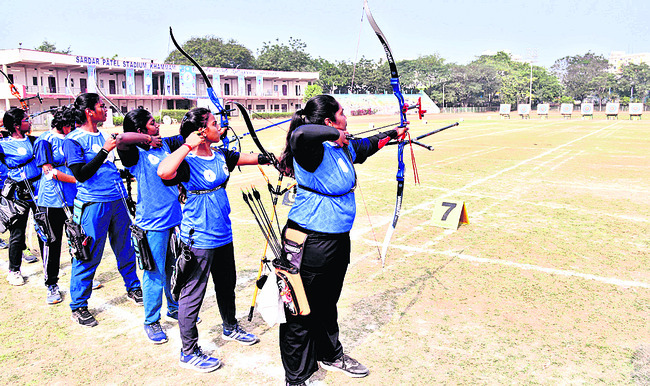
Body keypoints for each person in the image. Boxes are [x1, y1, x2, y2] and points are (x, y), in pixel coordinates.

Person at [276, 94, 408, 385]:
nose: (346, 117)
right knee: (299, 310)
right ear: (328, 122)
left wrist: (393, 134)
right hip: (308, 242)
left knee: (327, 303)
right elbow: (299, 133)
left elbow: (367, 145)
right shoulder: (310, 150)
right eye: (342, 114)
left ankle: (330, 354)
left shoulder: (342, 148)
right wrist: (337, 135)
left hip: (336, 242)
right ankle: (296, 377)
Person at [157, 107, 268, 372]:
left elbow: (248, 158)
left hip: (222, 233)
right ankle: (188, 350)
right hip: (198, 238)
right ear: (201, 131)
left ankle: (230, 327)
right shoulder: (185, 161)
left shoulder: (220, 156)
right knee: (192, 293)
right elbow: (164, 171)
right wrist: (187, 145)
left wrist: (273, 158)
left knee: (226, 284)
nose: (220, 127)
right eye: (214, 124)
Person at [63, 93, 142, 327]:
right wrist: (105, 150)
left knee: (126, 248)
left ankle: (134, 288)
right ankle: (78, 306)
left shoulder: (105, 135)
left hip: (117, 200)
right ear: (89, 111)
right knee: (87, 254)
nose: (105, 110)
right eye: (100, 106)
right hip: (93, 205)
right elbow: (81, 175)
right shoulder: (73, 140)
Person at [116, 108, 183, 344]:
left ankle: (174, 306)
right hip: (152, 223)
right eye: (152, 123)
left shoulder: (165, 146)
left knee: (173, 267)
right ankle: (151, 321)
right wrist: (147, 139)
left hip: (175, 218)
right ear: (141, 130)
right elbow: (121, 139)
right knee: (154, 273)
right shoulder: (134, 155)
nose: (158, 126)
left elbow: (187, 136)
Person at [33, 106, 78, 304]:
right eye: (71, 124)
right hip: (52, 200)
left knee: (77, 239)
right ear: (63, 125)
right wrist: (78, 179)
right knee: (52, 243)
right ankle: (51, 283)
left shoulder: (73, 138)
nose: (74, 127)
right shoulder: (44, 140)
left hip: (74, 198)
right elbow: (49, 172)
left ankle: (80, 277)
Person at [0, 108, 42, 286]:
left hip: (39, 190)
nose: (30, 121)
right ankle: (14, 270)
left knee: (45, 230)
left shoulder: (35, 140)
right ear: (16, 125)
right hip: (18, 194)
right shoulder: (3, 144)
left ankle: (49, 266)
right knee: (17, 233)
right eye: (26, 119)